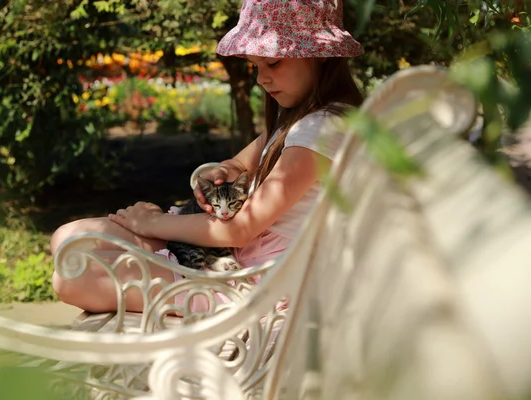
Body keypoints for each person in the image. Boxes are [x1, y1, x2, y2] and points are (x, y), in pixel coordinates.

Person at [50, 0, 364, 313]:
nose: (261, 79)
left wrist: (152, 223)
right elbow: (240, 164)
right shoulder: (304, 118)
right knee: (69, 238)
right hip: (226, 256)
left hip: (251, 284)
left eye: (274, 63)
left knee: (72, 277)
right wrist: (223, 173)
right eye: (255, 66)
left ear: (321, 54)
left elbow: (241, 229)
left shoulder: (322, 129)